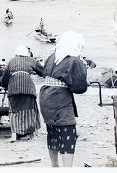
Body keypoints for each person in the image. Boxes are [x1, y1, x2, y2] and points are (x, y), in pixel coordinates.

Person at [39, 31, 88, 167]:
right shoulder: (74, 60)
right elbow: (80, 87)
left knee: (52, 131)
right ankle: (68, 168)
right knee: (68, 132)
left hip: (45, 96)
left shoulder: (51, 57)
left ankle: (54, 165)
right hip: (59, 99)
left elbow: (44, 73)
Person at [0, 45, 44, 142]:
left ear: (16, 53)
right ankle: (29, 134)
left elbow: (4, 79)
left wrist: (3, 84)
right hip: (28, 87)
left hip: (14, 87)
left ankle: (14, 135)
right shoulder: (31, 60)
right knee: (29, 110)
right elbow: (43, 72)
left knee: (14, 111)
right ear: (26, 53)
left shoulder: (12, 61)